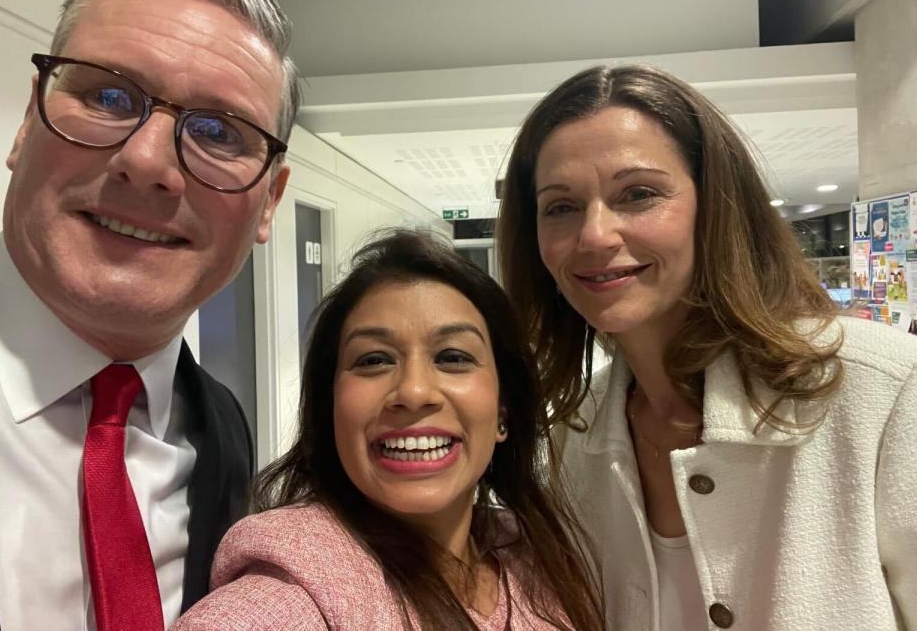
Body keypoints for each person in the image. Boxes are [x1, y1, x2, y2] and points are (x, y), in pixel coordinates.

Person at [496, 65, 917, 630]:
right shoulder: (568, 441)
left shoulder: (888, 393)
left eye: (638, 194)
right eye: (561, 206)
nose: (595, 235)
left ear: (716, 207)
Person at [0, 0, 299, 631]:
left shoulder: (224, 431)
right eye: (108, 97)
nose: (149, 162)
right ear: (28, 120)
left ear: (269, 202)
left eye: (219, 133)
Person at [173, 229, 604, 630]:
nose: (414, 392)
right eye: (374, 360)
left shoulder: (538, 558)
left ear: (504, 410)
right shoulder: (289, 597)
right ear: (329, 409)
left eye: (453, 356)